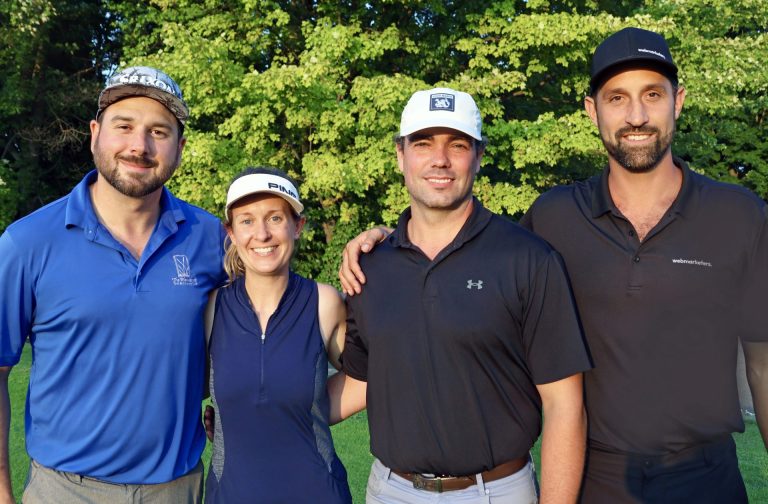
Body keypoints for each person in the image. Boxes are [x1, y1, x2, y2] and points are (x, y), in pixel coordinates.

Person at [340, 28, 768, 503]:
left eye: (652, 94)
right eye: (617, 98)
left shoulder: (740, 215)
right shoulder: (554, 218)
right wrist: (384, 240)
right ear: (593, 110)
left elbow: (764, 366)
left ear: (678, 100)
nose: (636, 116)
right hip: (596, 477)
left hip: (705, 476)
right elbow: (463, 254)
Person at [330, 87, 591, 503]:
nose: (440, 159)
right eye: (423, 144)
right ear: (400, 156)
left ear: (479, 157)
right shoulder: (371, 267)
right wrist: (263, 413)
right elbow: (363, 380)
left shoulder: (527, 258)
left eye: (457, 145)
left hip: (497, 491)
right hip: (391, 491)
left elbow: (564, 405)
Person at [0, 66, 227, 503]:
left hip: (176, 490)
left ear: (179, 147)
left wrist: (376, 243)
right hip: (64, 491)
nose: (139, 146)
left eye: (158, 132)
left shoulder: (210, 238)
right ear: (94, 133)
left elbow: (279, 302)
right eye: (124, 126)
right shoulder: (27, 242)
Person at [204, 167, 352, 503]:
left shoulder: (324, 303)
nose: (262, 234)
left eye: (274, 218)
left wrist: (302, 407)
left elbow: (370, 377)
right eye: (246, 221)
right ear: (230, 231)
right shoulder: (212, 308)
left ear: (297, 226)